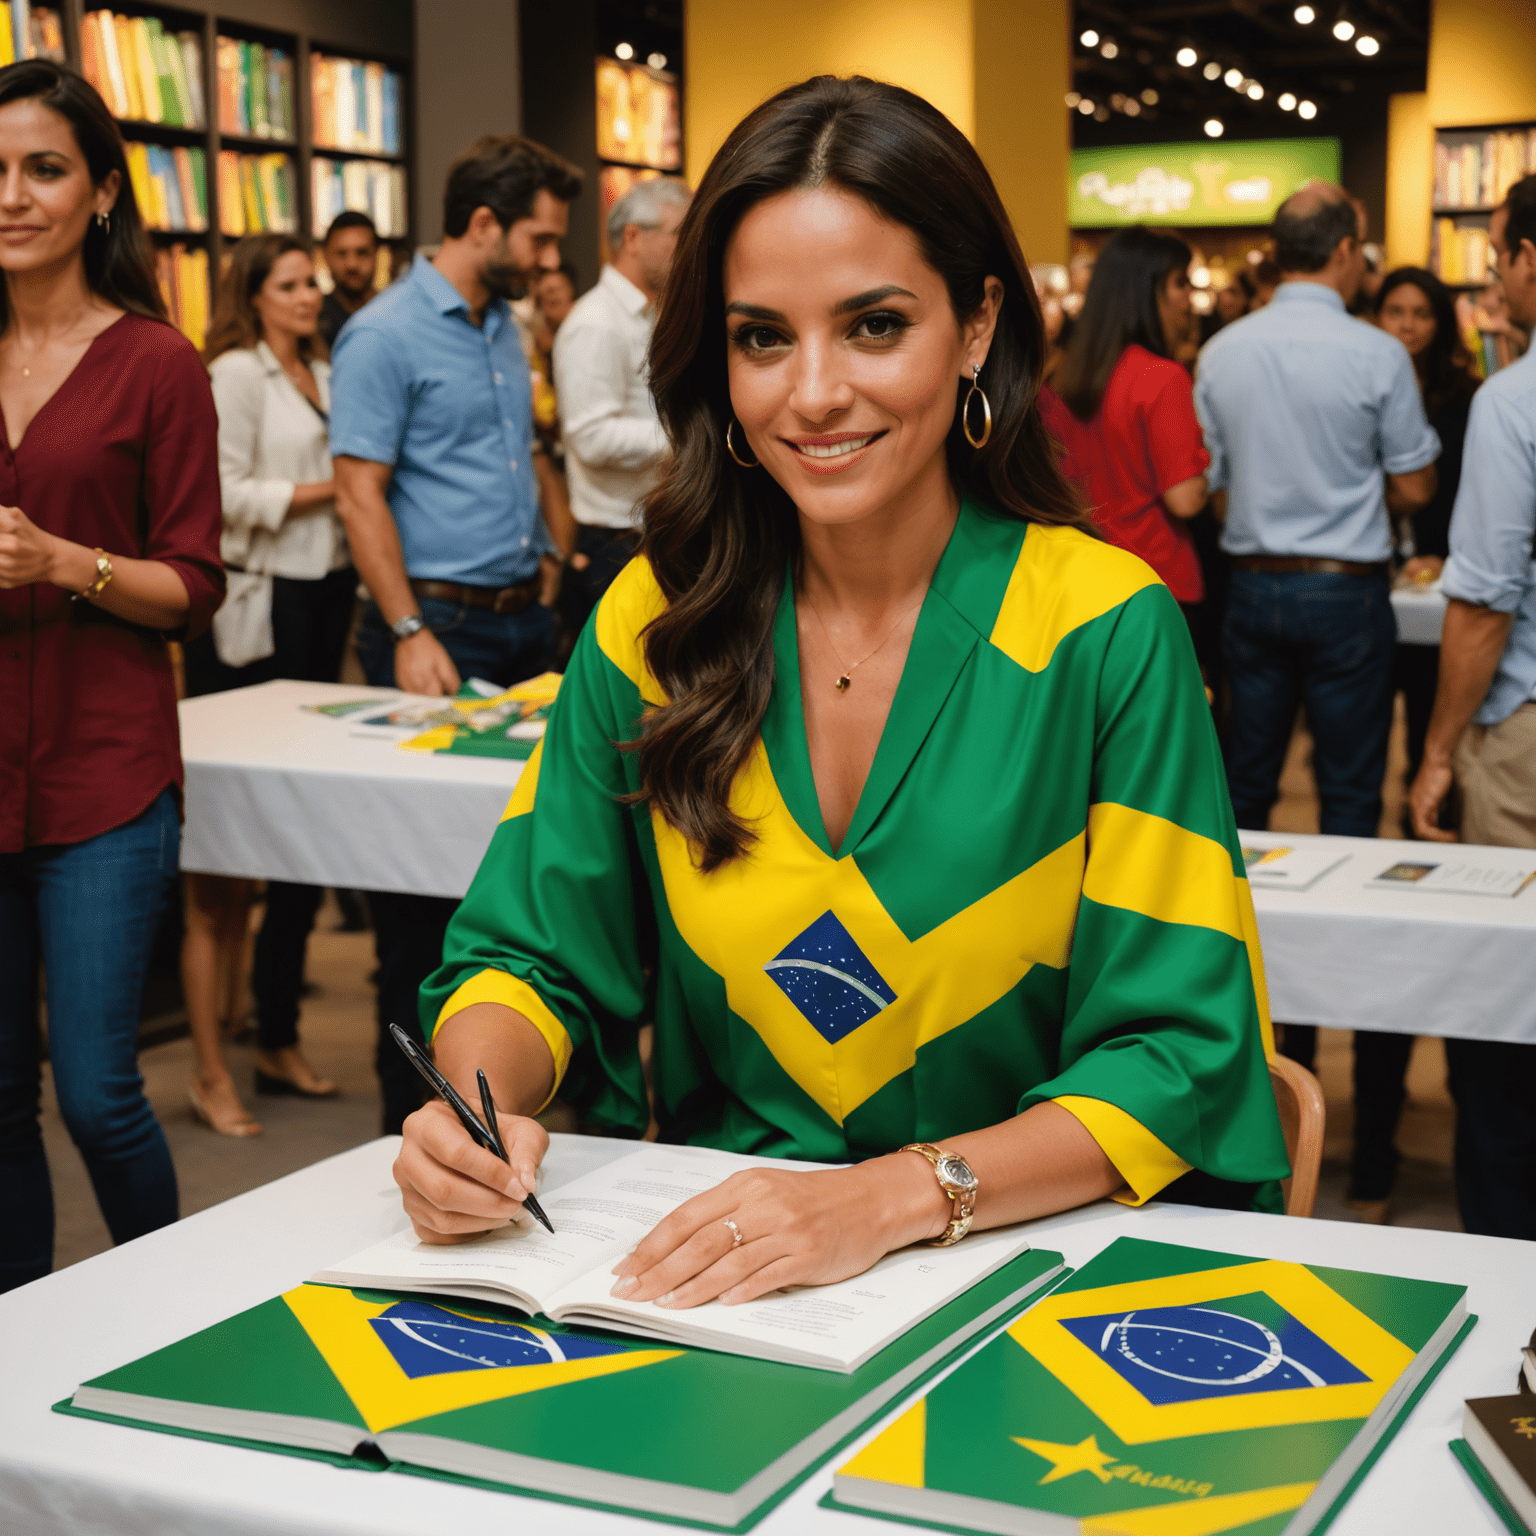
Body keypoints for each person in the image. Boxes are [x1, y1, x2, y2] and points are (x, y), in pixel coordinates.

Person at [393, 76, 1288, 1301]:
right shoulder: (652, 622)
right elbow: (531, 954)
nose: (812, 393)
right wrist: (475, 1110)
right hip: (710, 1286)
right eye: (764, 335)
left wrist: (888, 1199)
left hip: (1022, 1281)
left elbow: (1181, 1050)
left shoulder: (1103, 629)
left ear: (976, 327)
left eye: (874, 325)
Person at [0, 61, 223, 1291]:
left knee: (98, 1093)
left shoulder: (155, 363)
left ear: (98, 194)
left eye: (44, 168)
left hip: (105, 780)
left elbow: (194, 589)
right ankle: (18, 1350)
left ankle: (162, 1312)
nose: (14, 196)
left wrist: (63, 560)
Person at [330, 133, 582, 1135]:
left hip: (525, 622)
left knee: (526, 885)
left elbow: (523, 453)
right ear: (485, 226)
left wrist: (557, 562)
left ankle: (508, 1103)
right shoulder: (384, 335)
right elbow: (359, 492)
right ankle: (418, 1134)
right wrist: (405, 626)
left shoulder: (501, 326)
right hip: (436, 631)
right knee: (419, 915)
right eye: (541, 237)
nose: (551, 257)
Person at [1195, 185, 1440, 849]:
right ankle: (1344, 940)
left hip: (1250, 583)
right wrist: (1354, 490)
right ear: (1343, 251)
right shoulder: (1378, 352)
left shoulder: (1222, 351)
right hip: (1346, 587)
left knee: (1244, 785)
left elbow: (1209, 486)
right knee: (1352, 789)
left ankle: (1239, 937)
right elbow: (1417, 486)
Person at [181, 232, 351, 1128]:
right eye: (289, 284)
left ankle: (276, 1032)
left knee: (301, 832)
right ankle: (212, 1063)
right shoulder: (236, 375)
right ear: (253, 295)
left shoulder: (323, 365)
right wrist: (337, 489)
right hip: (256, 609)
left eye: (311, 282)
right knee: (228, 851)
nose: (308, 296)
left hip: (325, 596)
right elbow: (223, 492)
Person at [1330, 265, 1485, 1224]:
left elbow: (1450, 497)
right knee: (1355, 800)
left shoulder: (1470, 396)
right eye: (1398, 310)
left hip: (1439, 605)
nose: (1410, 326)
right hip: (1368, 596)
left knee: (1420, 787)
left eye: (1423, 313)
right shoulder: (1373, 368)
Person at [1408, 174, 1536, 1241]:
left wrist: (1440, 752)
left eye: (1501, 253)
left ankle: (1505, 1262)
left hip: (1528, 733)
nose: (1494, 274)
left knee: (1504, 1007)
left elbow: (1485, 602)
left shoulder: (1514, 400)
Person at [1040, 226, 1209, 639]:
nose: (1189, 298)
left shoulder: (1058, 377)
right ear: (1145, 289)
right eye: (1179, 282)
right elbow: (1185, 499)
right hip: (1156, 579)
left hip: (1082, 580)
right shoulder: (1161, 378)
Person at [554, 177, 691, 635]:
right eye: (679, 233)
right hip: (613, 542)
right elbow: (591, 437)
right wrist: (688, 437)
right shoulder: (596, 322)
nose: (688, 246)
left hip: (652, 530)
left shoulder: (650, 315)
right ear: (633, 236)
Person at [317, 209, 378, 348]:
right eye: (341, 253)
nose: (352, 264)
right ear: (325, 256)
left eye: (362, 253)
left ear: (377, 255)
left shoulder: (397, 313)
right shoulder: (313, 317)